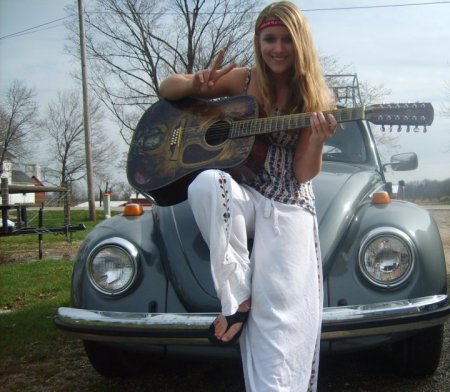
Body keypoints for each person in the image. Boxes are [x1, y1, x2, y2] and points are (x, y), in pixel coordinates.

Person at [159, 1, 337, 390]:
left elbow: (303, 173)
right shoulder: (242, 80)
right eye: (269, 39)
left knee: (279, 315)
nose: (277, 48)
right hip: (243, 194)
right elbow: (167, 88)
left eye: (286, 40)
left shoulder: (314, 97)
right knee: (206, 183)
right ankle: (236, 302)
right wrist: (195, 84)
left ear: (300, 43)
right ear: (259, 42)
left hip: (289, 201)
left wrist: (318, 143)